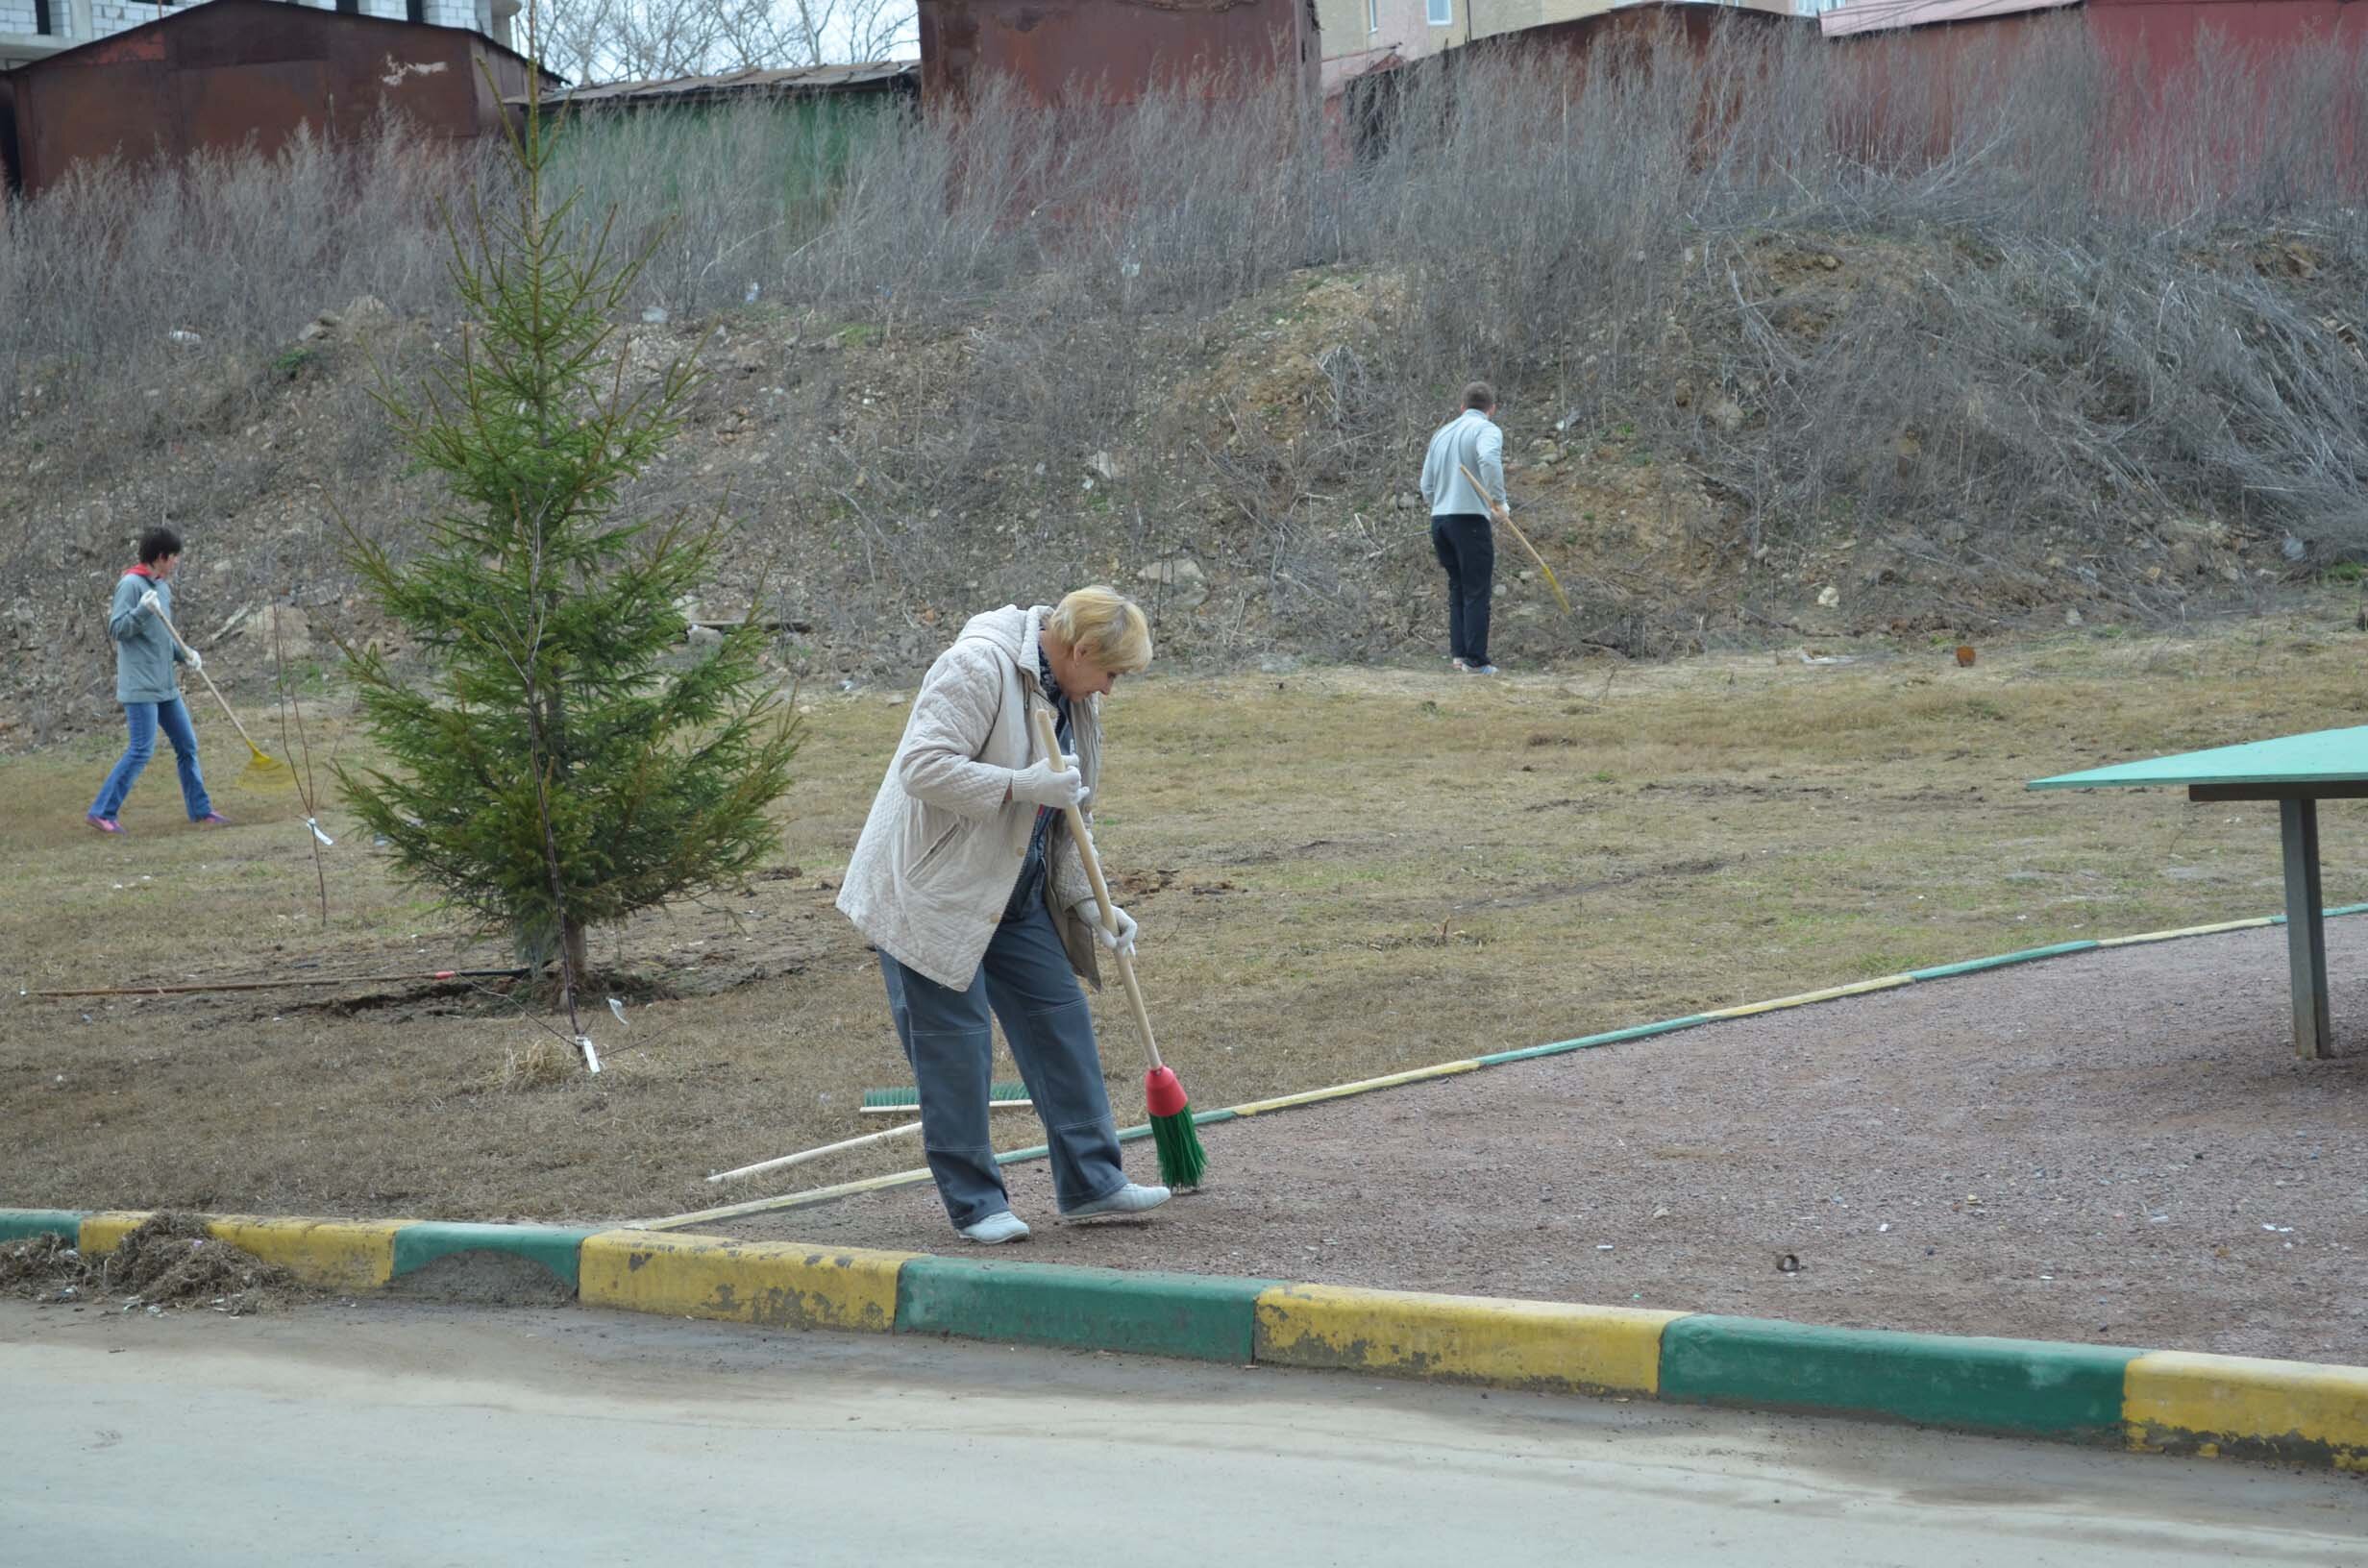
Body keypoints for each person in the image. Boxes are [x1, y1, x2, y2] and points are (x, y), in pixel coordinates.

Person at [837, 586, 1171, 1244]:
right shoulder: (975, 665)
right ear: (1077, 650)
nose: (1110, 690)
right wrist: (1019, 786)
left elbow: (1069, 813)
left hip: (1015, 894)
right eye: (1110, 674)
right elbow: (923, 768)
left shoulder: (1073, 698)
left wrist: (1091, 904)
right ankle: (976, 1204)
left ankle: (1092, 1183)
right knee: (956, 1051)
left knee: (1061, 1024)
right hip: (933, 894)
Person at [86, 526, 228, 835]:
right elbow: (117, 629)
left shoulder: (162, 588)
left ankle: (201, 810)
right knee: (141, 750)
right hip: (140, 686)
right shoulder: (131, 585)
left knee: (187, 745)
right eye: (174, 557)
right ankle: (102, 811)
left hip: (165, 685)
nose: (176, 562)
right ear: (161, 557)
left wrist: (185, 654)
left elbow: (164, 636)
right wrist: (141, 611)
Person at [1419, 380, 1509, 675]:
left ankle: (1459, 654)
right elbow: (1488, 458)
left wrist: (1439, 503)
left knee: (1458, 587)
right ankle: (1476, 660)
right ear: (1491, 409)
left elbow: (1426, 485)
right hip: (1469, 519)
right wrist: (1499, 500)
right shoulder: (1486, 429)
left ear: (1461, 407)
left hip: (1440, 521)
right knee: (1476, 590)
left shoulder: (1441, 433)